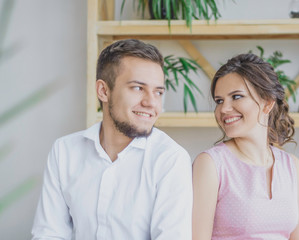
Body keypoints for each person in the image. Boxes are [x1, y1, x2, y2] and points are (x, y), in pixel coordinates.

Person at [32, 39, 193, 240]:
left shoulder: (170, 159)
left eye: (158, 92)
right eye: (137, 88)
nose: (151, 102)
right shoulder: (64, 151)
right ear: (103, 91)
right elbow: (49, 233)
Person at [192, 53, 299, 240]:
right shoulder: (211, 164)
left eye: (236, 97)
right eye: (219, 101)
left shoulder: (292, 166)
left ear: (267, 103)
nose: (223, 109)